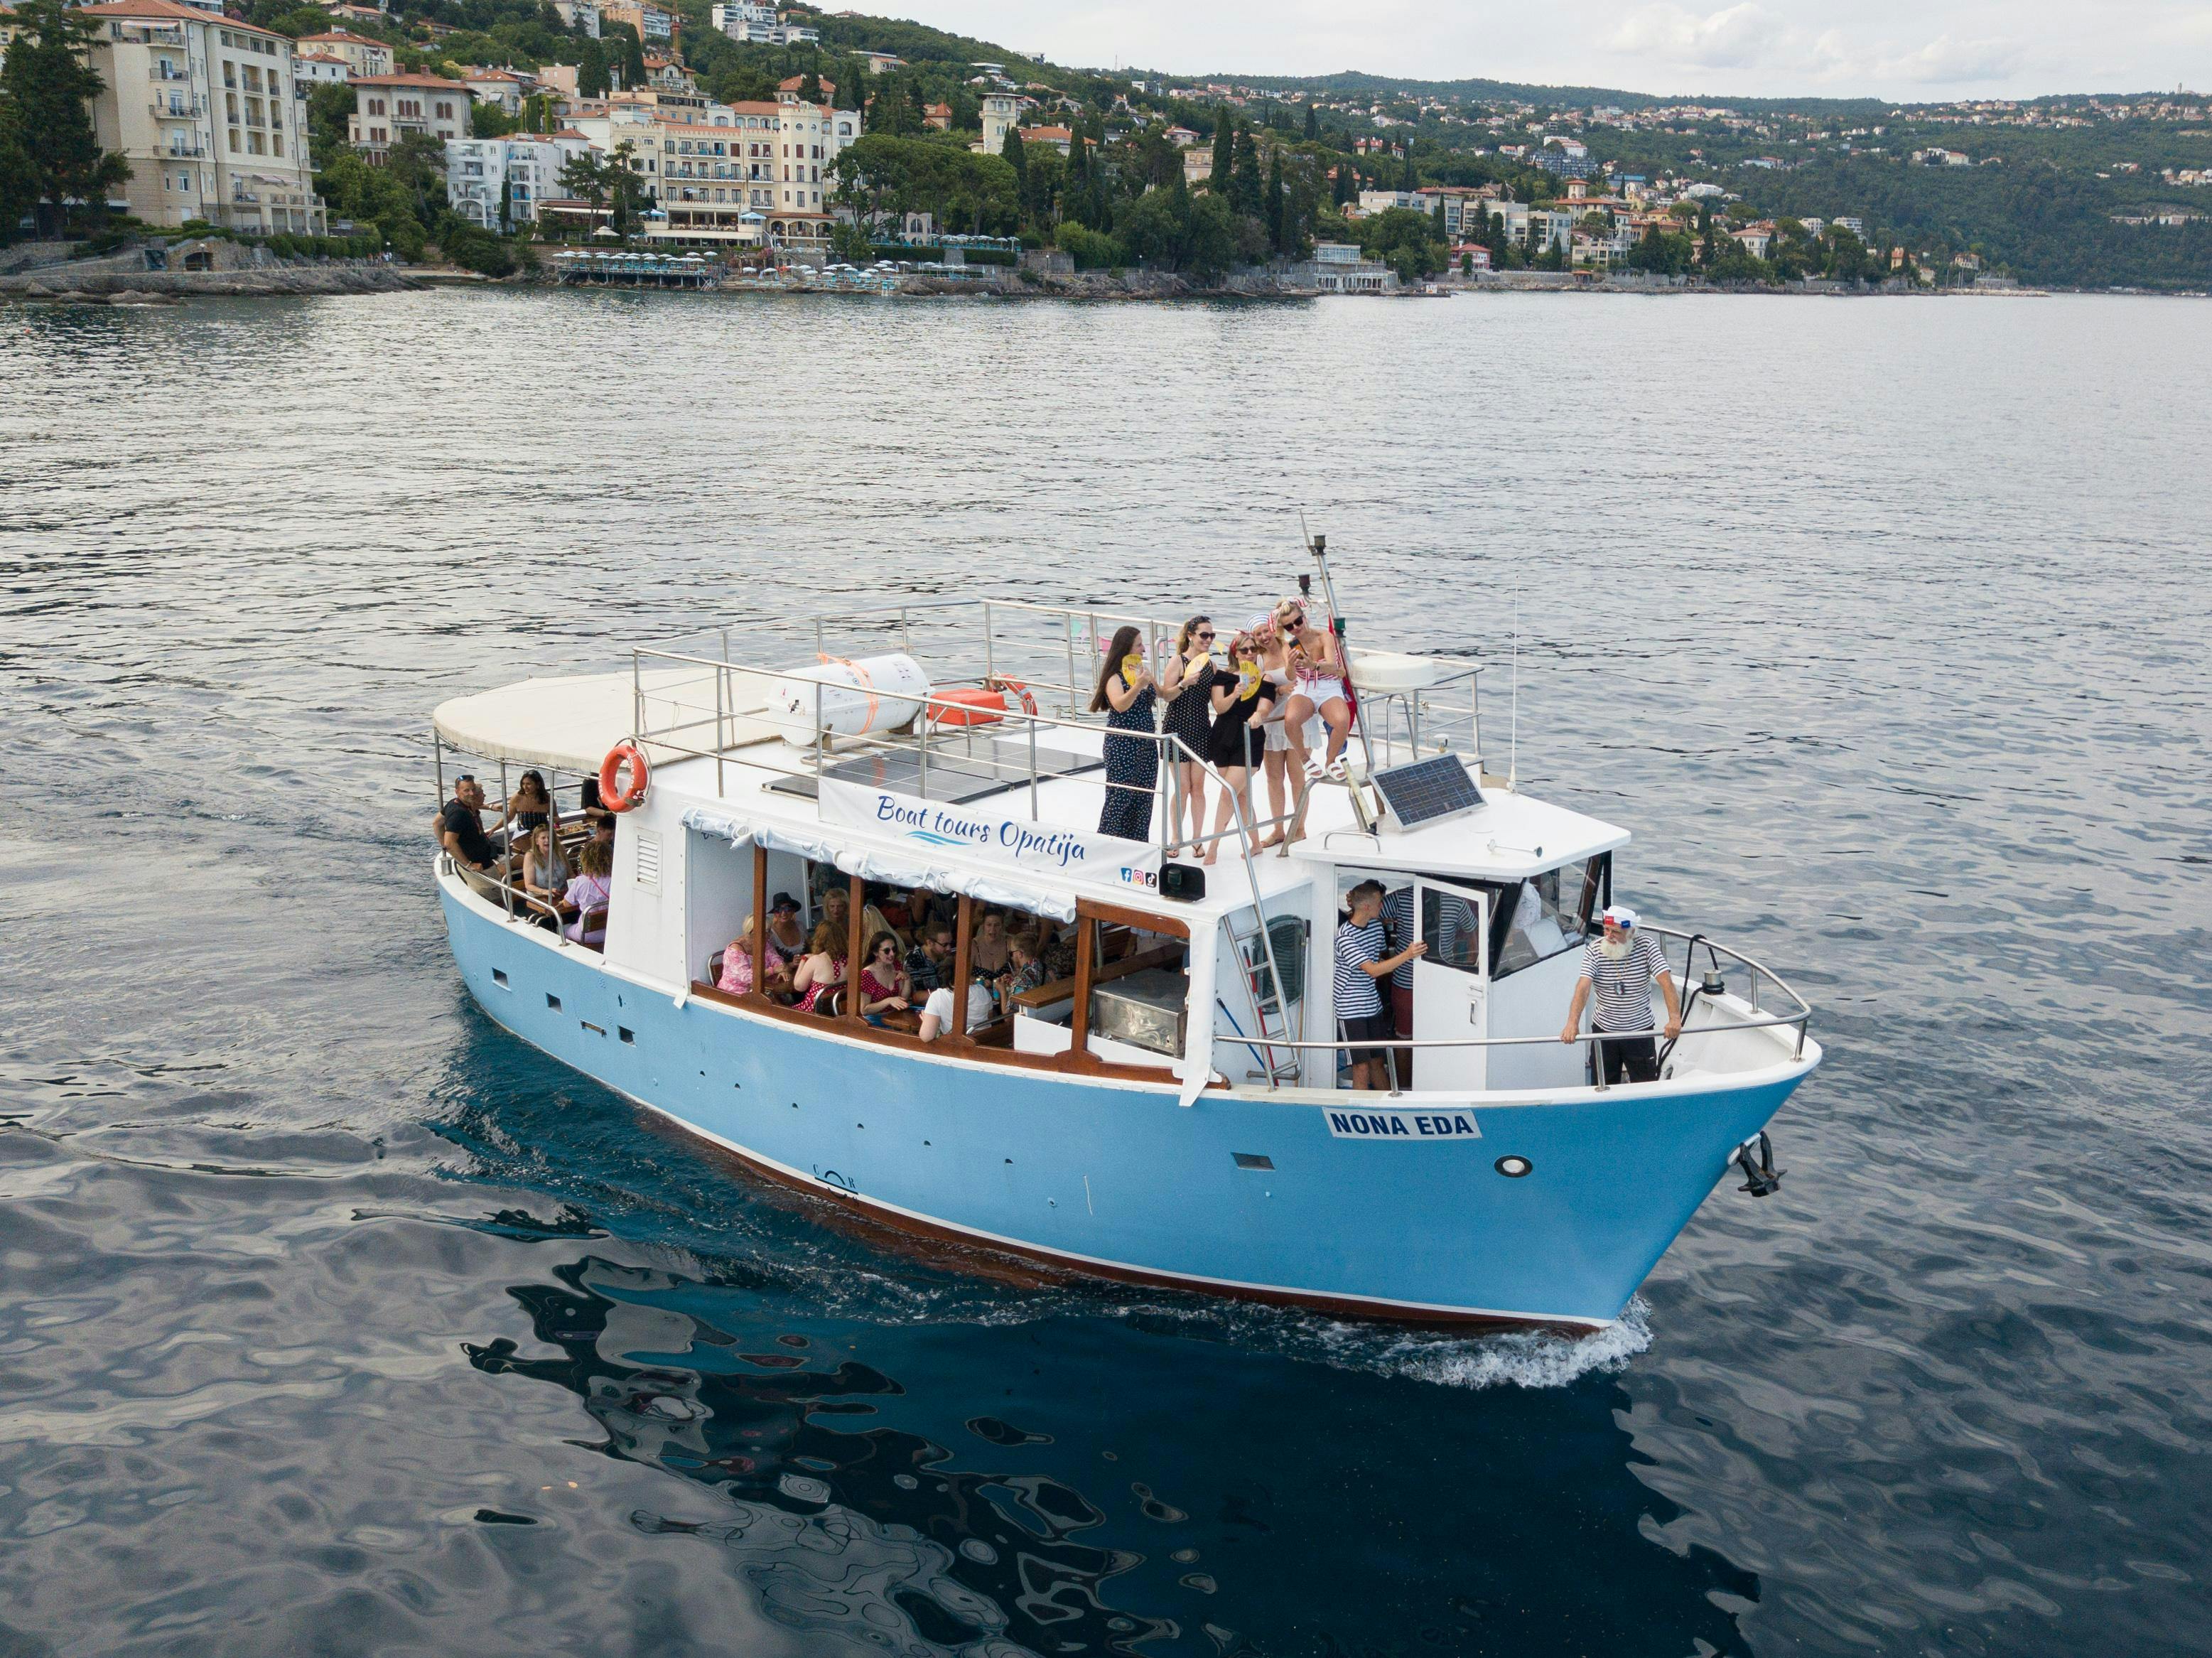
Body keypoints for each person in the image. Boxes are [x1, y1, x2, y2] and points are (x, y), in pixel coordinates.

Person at [1560, 905, 1682, 1085]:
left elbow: (1667, 984)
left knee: (1646, 1086)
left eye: (1615, 932)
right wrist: (1572, 1023)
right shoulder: (1594, 949)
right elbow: (1583, 987)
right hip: (1604, 1033)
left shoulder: (1647, 946)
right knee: (1602, 1086)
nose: (1609, 936)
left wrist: (1674, 1019)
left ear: (1631, 932)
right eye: (1606, 930)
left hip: (1639, 1032)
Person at [1334, 880, 1427, 1091]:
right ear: (1367, 907)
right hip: (1350, 1010)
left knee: (1378, 1063)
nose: (1383, 907)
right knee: (1361, 1068)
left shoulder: (1376, 926)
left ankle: (1387, 1106)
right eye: (1380, 903)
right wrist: (1408, 954)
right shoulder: (1345, 937)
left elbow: (1382, 956)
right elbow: (1373, 969)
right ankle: (1360, 1113)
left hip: (1372, 1006)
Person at [1200, 632, 1279, 866]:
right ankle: (1255, 844)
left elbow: (1265, 707)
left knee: (1228, 793)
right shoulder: (1222, 677)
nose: (1250, 654)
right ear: (1235, 652)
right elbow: (1220, 707)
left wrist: (1258, 715)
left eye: (1253, 649)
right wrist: (1236, 692)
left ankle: (1214, 846)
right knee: (1241, 795)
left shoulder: (1265, 678)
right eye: (1244, 650)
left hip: (1249, 738)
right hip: (1223, 737)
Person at [1272, 596, 1354, 785]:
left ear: (1304, 616)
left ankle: (1331, 761)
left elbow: (1334, 667)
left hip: (1328, 686)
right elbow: (1291, 676)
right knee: (1291, 720)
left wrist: (1313, 665)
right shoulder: (1289, 646)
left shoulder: (1324, 637)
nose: (1296, 628)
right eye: (1289, 626)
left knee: (1342, 720)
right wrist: (1292, 664)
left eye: (1298, 621)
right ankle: (1305, 759)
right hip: (1305, 687)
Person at [1091, 624, 1159, 843]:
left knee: (1144, 796)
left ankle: (1138, 844)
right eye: (1139, 645)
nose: (1143, 649)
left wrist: (1184, 684)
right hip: (1123, 744)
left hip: (1146, 744)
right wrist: (1138, 685)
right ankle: (1106, 843)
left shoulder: (1141, 671)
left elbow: (1162, 694)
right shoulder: (1114, 676)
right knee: (1120, 796)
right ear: (1127, 648)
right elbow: (1120, 704)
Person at [1158, 615, 1217, 856]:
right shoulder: (1178, 662)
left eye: (1212, 636)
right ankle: (1176, 836)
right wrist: (1185, 683)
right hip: (1178, 726)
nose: (1209, 640)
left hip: (1201, 727)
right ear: (1191, 636)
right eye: (1204, 635)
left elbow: (1216, 701)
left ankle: (1197, 837)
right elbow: (1165, 695)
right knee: (1182, 787)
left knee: (1198, 787)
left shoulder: (1211, 666)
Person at [439, 775, 507, 876]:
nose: (472, 793)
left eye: (473, 789)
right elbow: (449, 843)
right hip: (481, 867)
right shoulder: (459, 813)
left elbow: (437, 823)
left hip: (486, 856)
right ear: (457, 792)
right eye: (467, 791)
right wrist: (468, 865)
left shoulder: (456, 803)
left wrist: (491, 807)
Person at [717, 913, 792, 998]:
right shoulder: (735, 950)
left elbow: (775, 958)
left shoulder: (764, 942)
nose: (770, 934)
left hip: (761, 988)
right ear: (753, 931)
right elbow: (747, 977)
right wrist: (773, 970)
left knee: (786, 997)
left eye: (769, 931)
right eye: (767, 931)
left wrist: (782, 970)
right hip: (735, 993)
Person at [561, 839, 614, 947]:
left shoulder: (581, 881)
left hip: (587, 935)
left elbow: (567, 903)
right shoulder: (614, 881)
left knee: (564, 930)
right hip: (611, 932)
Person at [791, 920, 848, 1015]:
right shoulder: (849, 960)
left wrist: (804, 960)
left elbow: (799, 987)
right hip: (838, 1011)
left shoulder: (816, 960)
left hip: (814, 1011)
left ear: (819, 938)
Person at [919, 975, 996, 1042]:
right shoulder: (982, 990)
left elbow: (926, 1037)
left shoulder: (938, 996)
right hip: (985, 1042)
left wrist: (926, 1020)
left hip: (957, 1047)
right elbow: (989, 1018)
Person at [520, 824, 571, 925]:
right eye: (543, 838)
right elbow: (529, 886)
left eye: (550, 837)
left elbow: (571, 875)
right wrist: (545, 891)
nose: (547, 841)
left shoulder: (560, 851)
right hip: (540, 900)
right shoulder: (531, 856)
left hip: (562, 897)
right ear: (536, 841)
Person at [856, 931, 910, 1023]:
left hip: (895, 1018)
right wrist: (888, 1001)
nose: (892, 954)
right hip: (874, 1023)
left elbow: (903, 999)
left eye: (894, 949)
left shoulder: (896, 965)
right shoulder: (867, 975)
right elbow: (864, 1010)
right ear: (876, 952)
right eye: (887, 951)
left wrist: (907, 979)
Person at [998, 930, 1048, 1006]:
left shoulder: (1020, 982)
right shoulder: (1048, 968)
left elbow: (1008, 1016)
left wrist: (1002, 990)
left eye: (1011, 953)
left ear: (1020, 954)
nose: (1011, 957)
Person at [905, 922, 954, 996]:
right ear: (930, 943)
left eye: (950, 943)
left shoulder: (945, 956)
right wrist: (947, 992)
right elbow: (917, 996)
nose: (949, 948)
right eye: (945, 945)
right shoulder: (913, 958)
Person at [765, 892, 807, 961]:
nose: (783, 913)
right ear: (775, 914)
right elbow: (771, 961)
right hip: (784, 970)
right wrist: (791, 965)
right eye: (778, 910)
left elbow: (812, 947)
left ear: (793, 911)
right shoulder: (770, 933)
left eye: (787, 908)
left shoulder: (800, 926)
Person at [969, 908, 1010, 976]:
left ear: (1002, 926)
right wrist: (978, 981)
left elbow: (1019, 971)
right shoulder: (973, 945)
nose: (993, 929)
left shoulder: (1009, 942)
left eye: (997, 925)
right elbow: (964, 976)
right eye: (989, 925)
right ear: (983, 926)